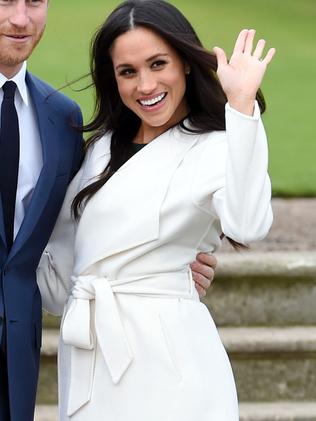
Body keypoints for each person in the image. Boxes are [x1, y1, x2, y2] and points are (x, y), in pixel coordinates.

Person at [37, 0, 275, 420]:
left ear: (184, 62)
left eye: (158, 63)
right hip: (91, 352)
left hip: (168, 360)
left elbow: (249, 224)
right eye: (128, 71)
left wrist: (240, 107)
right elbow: (59, 281)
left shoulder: (218, 146)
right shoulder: (102, 150)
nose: (145, 85)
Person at [0, 2, 215, 420]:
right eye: (5, 0)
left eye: (34, 1)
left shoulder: (60, 118)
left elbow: (66, 235)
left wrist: (163, 259)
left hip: (16, 355)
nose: (21, 19)